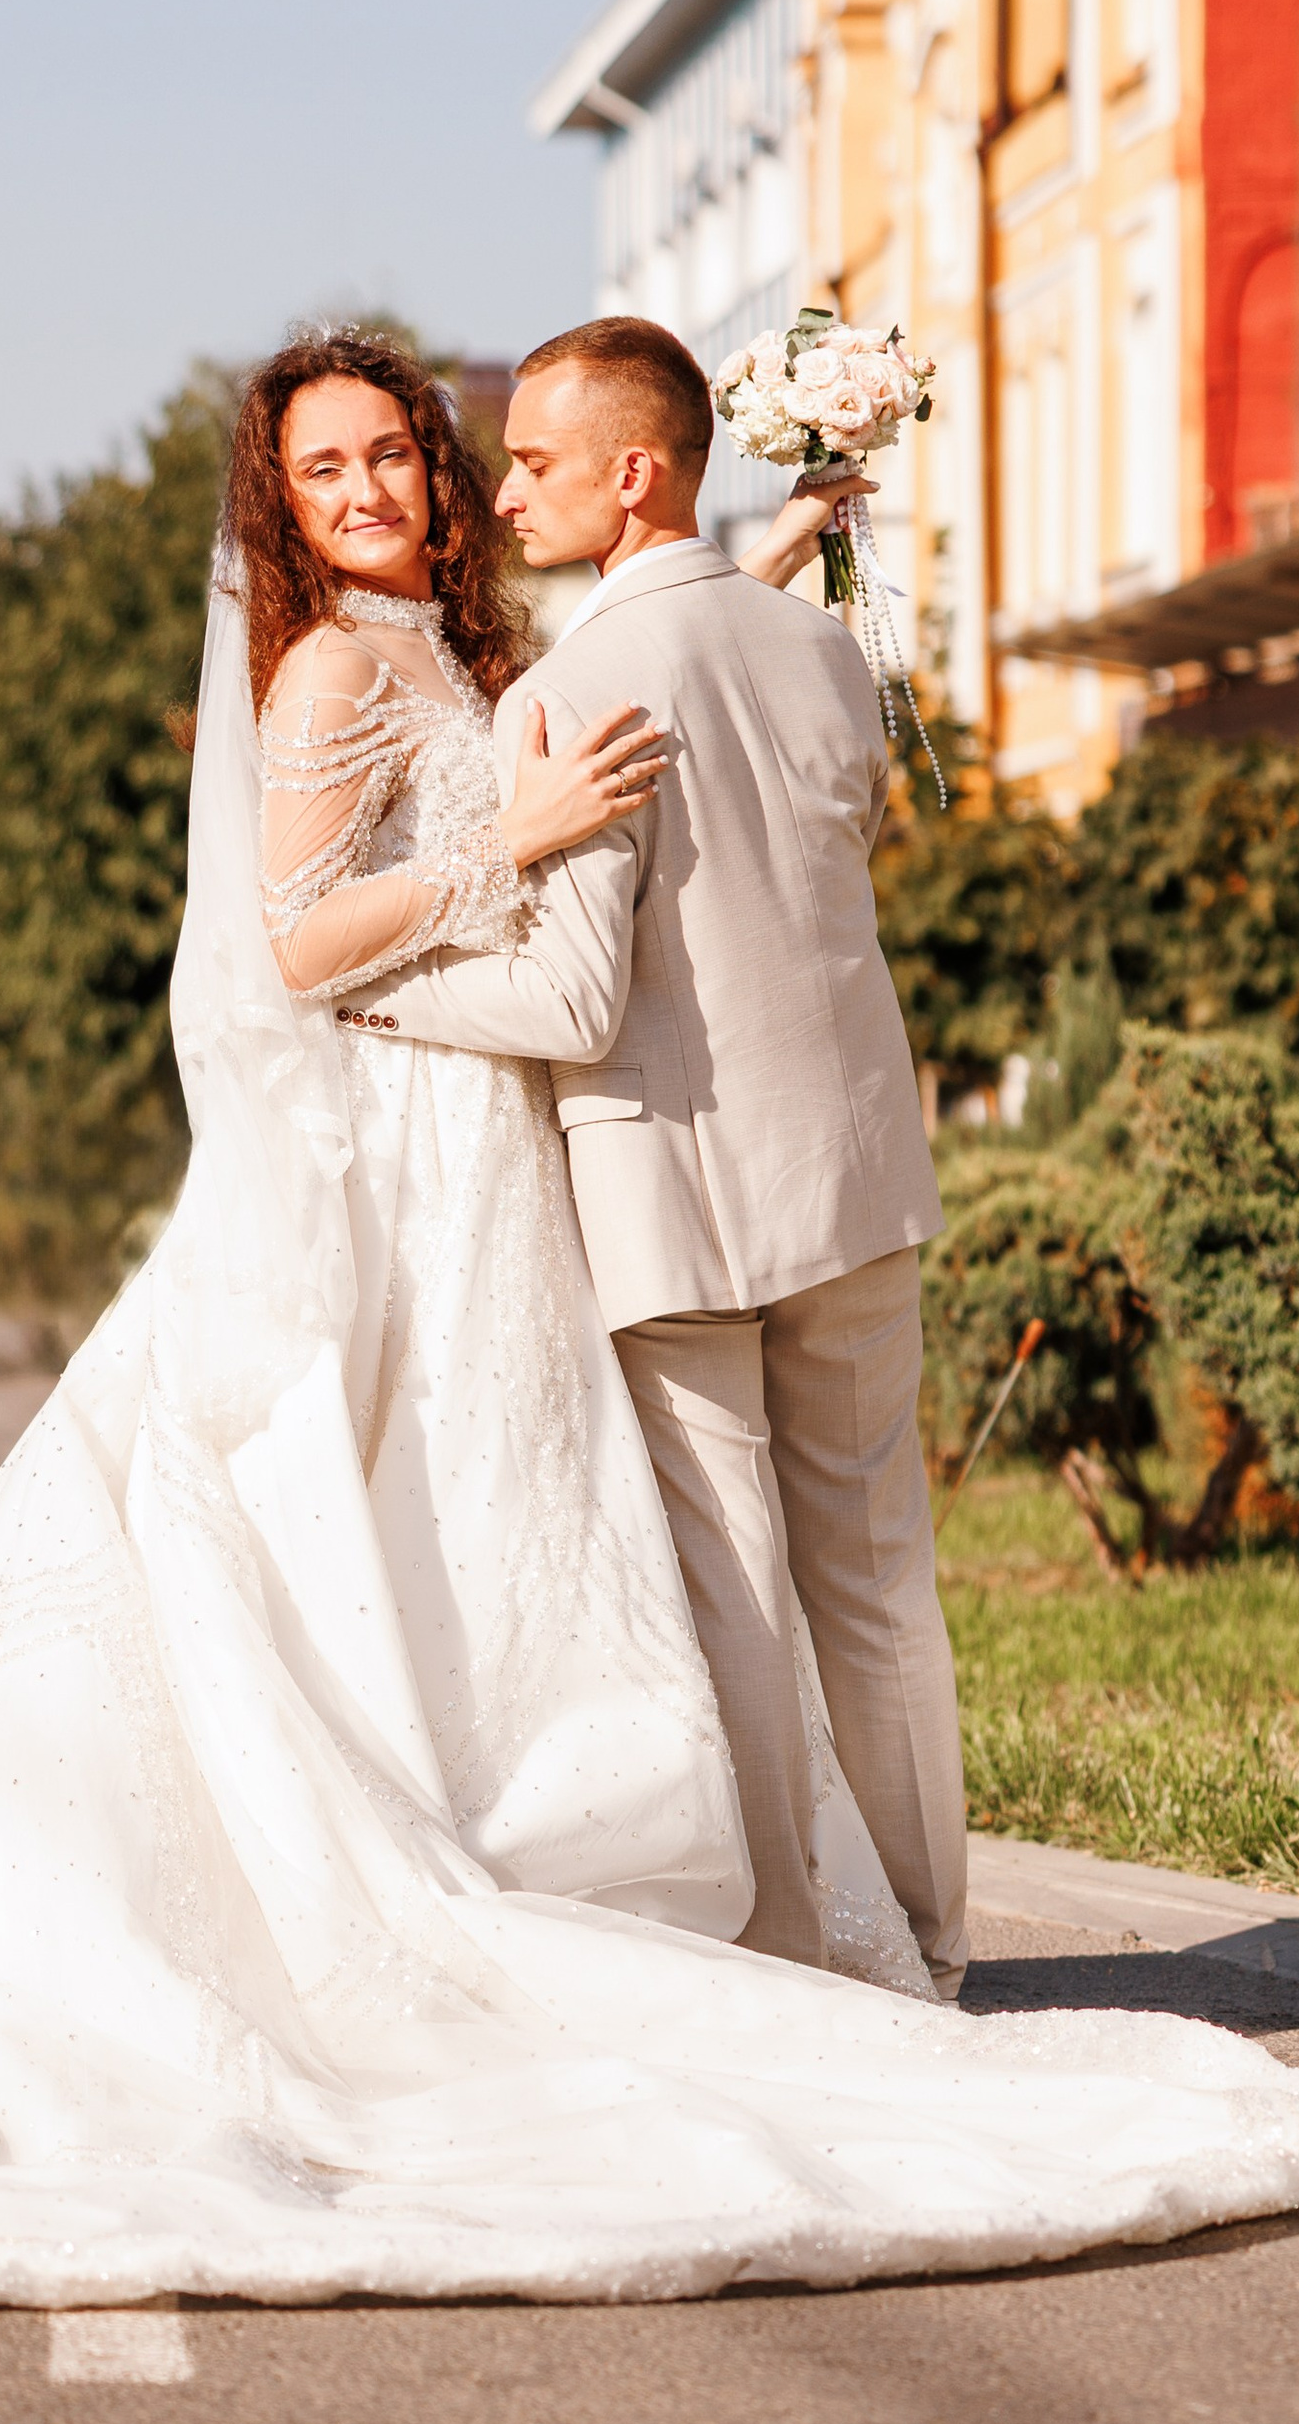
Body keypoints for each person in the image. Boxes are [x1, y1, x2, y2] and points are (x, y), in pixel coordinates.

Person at [0, 327, 1299, 2306]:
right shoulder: (322, 678)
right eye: (325, 471)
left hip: (501, 1141)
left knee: (502, 1520)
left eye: (394, 452)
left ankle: (634, 1868)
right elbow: (298, 941)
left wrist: (737, 573)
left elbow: (588, 681)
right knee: (372, 1501)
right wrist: (518, 845)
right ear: (283, 510)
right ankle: (511, 1898)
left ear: (437, 467)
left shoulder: (479, 646)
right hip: (403, 1132)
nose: (373, 489)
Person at [357, 316, 968, 1997]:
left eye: (535, 462)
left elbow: (570, 997)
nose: (502, 491)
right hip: (853, 1166)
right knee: (881, 1585)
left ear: (634, 476)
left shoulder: (566, 694)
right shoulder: (826, 651)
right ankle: (936, 1940)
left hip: (672, 1194)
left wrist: (376, 992)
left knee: (742, 1597)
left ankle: (803, 1960)